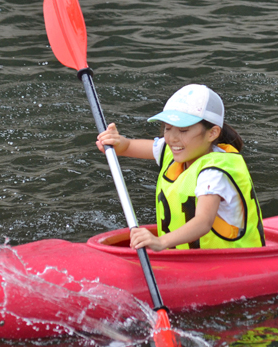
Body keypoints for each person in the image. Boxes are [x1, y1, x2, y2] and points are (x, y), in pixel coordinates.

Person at [96, 84, 265, 250]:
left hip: (229, 262)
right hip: (186, 258)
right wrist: (116, 143)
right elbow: (127, 147)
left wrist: (160, 242)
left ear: (212, 133)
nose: (172, 138)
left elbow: (203, 222)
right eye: (168, 128)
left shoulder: (214, 172)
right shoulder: (176, 149)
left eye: (183, 130)